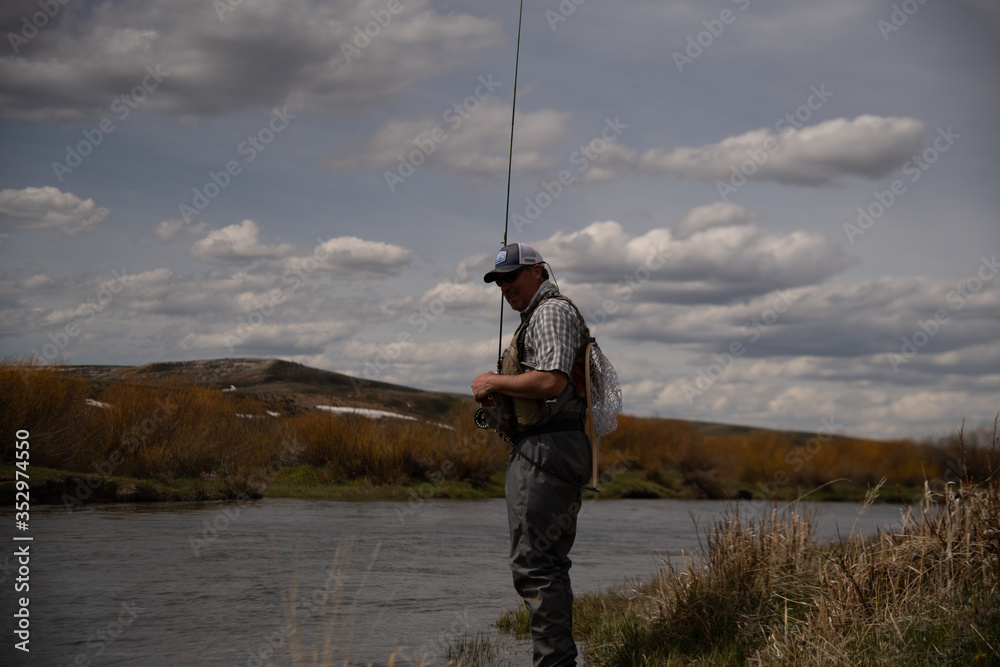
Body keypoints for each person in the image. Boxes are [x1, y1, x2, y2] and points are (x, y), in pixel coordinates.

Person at [471, 242, 591, 667]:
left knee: (534, 564)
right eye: (499, 281)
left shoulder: (550, 312)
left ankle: (554, 662)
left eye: (511, 277)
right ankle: (559, 660)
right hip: (553, 446)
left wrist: (493, 382)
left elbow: (550, 382)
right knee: (549, 563)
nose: (505, 287)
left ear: (537, 272)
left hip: (546, 449)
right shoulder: (539, 316)